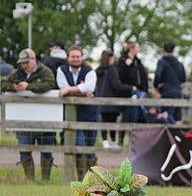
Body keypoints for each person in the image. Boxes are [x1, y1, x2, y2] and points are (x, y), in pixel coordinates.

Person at [3, 49, 58, 181]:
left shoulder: (45, 71)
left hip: (45, 119)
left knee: (46, 151)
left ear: (34, 59)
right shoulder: (17, 72)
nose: (24, 65)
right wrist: (14, 87)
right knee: (24, 150)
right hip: (24, 120)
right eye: (22, 63)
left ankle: (45, 179)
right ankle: (29, 178)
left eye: (26, 62)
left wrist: (29, 86)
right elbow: (3, 83)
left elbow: (50, 84)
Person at [57, 46, 100, 177]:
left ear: (81, 58)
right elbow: (62, 87)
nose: (75, 59)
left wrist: (70, 90)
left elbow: (89, 87)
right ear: (68, 58)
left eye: (78, 56)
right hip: (73, 116)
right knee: (80, 147)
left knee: (90, 149)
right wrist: (82, 92)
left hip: (91, 114)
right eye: (73, 56)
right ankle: (82, 179)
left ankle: (91, 180)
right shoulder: (61, 70)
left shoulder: (90, 71)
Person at [93, 49, 135, 149]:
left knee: (104, 121)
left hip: (101, 99)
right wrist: (130, 88)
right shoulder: (112, 70)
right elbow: (116, 85)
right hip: (112, 99)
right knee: (112, 121)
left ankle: (105, 141)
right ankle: (113, 141)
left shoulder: (98, 71)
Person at [117, 39, 150, 130]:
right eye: (137, 47)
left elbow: (143, 77)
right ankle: (122, 135)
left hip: (140, 92)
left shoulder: (138, 62)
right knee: (127, 116)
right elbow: (119, 76)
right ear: (131, 49)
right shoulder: (123, 60)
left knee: (139, 115)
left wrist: (145, 90)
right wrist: (126, 66)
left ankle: (137, 135)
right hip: (128, 93)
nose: (139, 49)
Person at [154, 41, 188, 123]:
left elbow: (157, 75)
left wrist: (156, 85)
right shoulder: (179, 63)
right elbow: (183, 79)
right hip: (178, 91)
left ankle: (168, 132)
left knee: (166, 116)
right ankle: (177, 132)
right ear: (173, 50)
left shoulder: (162, 62)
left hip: (167, 91)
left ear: (163, 50)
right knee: (178, 118)